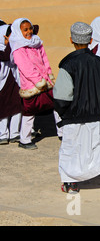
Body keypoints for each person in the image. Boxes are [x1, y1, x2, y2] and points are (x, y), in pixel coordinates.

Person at [54, 22, 100, 197]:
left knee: (70, 150)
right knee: (99, 147)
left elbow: (62, 96)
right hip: (95, 116)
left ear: (71, 40)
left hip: (72, 117)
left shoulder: (67, 64)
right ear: (91, 40)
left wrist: (64, 113)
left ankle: (71, 184)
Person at [8, 18, 61, 150]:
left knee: (58, 104)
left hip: (45, 82)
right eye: (25, 30)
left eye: (30, 28)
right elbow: (25, 67)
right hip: (31, 85)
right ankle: (24, 140)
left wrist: (48, 76)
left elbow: (45, 60)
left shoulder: (37, 42)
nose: (29, 32)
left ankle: (62, 132)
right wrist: (38, 81)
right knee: (29, 112)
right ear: (19, 31)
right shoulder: (18, 48)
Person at [0, 24, 22, 145]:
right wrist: (9, 43)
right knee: (3, 109)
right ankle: (2, 134)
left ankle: (14, 133)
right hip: (2, 85)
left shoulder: (13, 47)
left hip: (14, 81)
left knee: (16, 107)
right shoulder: (3, 49)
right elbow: (5, 56)